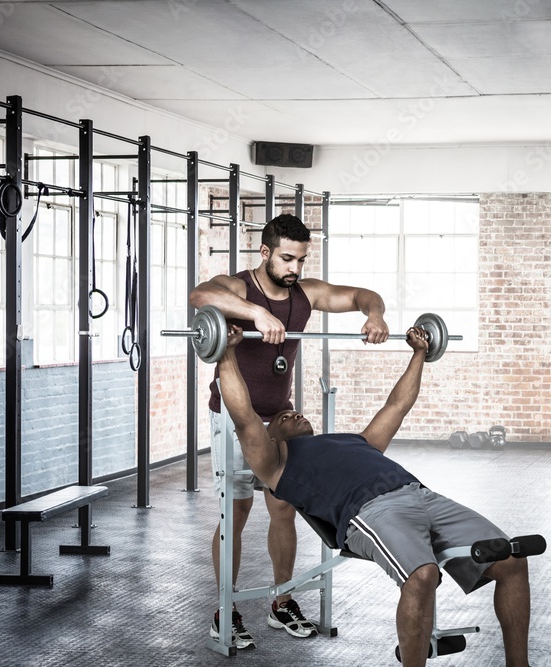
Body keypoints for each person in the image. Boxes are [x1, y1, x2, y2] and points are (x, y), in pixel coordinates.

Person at [216, 323, 532, 667]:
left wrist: (419, 354)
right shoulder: (276, 463)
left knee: (511, 559)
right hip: (370, 512)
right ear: (271, 438)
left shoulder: (355, 441)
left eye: (294, 411)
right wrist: (226, 353)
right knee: (421, 575)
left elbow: (397, 405)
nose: (294, 413)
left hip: (422, 494)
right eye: (283, 418)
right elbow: (245, 416)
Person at [190, 213, 389, 649]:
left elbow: (361, 295)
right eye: (286, 259)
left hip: (279, 416)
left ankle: (282, 602)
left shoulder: (304, 294)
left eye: (300, 259)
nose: (294, 269)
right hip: (232, 417)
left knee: (284, 508)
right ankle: (226, 609)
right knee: (235, 513)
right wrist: (255, 313)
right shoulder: (241, 286)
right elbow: (201, 294)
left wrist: (374, 315)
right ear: (265, 253)